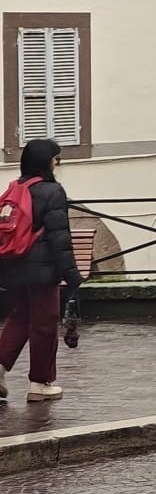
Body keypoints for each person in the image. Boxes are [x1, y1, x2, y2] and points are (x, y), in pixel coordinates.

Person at [0, 138, 84, 402]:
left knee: (19, 318)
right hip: (42, 271)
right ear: (47, 161)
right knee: (45, 325)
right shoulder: (52, 191)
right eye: (55, 158)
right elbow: (59, 238)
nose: (57, 162)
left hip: (13, 266)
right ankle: (40, 383)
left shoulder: (15, 188)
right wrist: (71, 274)